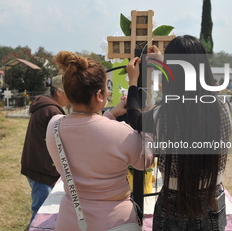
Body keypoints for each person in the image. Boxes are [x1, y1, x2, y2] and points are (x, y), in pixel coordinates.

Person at [126, 35, 232, 231]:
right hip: (212, 197)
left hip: (173, 201)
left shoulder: (163, 114)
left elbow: (134, 117)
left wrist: (133, 82)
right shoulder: (222, 107)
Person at [45, 51, 153, 231]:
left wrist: (110, 115)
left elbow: (88, 132)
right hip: (114, 221)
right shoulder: (120, 133)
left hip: (70, 219)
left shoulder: (53, 126)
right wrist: (147, 126)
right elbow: (145, 161)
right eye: (107, 88)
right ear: (99, 95)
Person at [21, 75, 70, 224]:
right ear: (59, 92)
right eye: (69, 93)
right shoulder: (51, 111)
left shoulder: (46, 107)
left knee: (42, 210)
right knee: (40, 213)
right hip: (41, 169)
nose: (72, 98)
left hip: (37, 166)